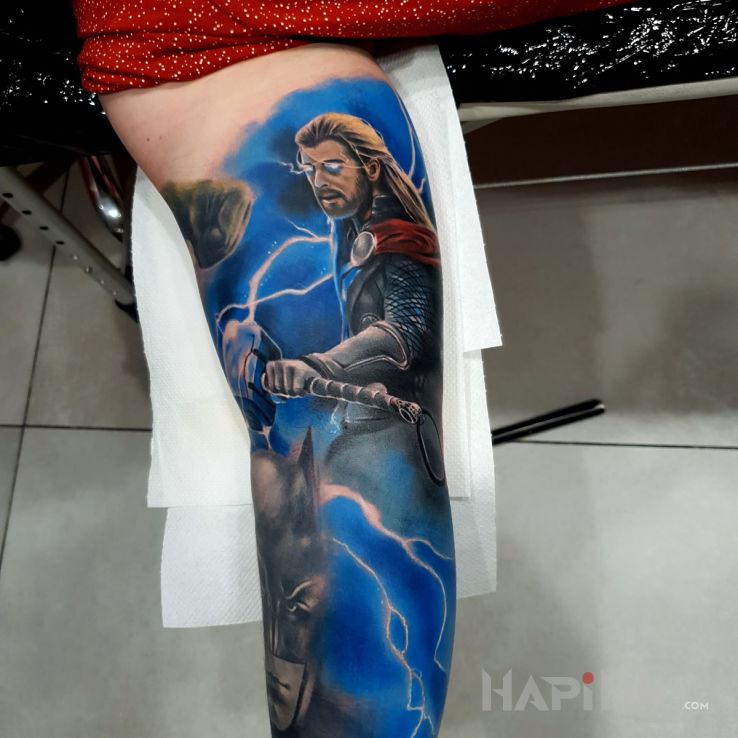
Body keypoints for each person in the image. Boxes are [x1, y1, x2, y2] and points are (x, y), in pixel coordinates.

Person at [71, 3, 629, 735]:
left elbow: (402, 332)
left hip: (382, 435)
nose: (318, 182)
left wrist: (318, 361)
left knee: (364, 580)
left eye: (329, 167)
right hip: (232, 49)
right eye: (308, 170)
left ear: (369, 166)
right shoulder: (331, 205)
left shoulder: (392, 238)